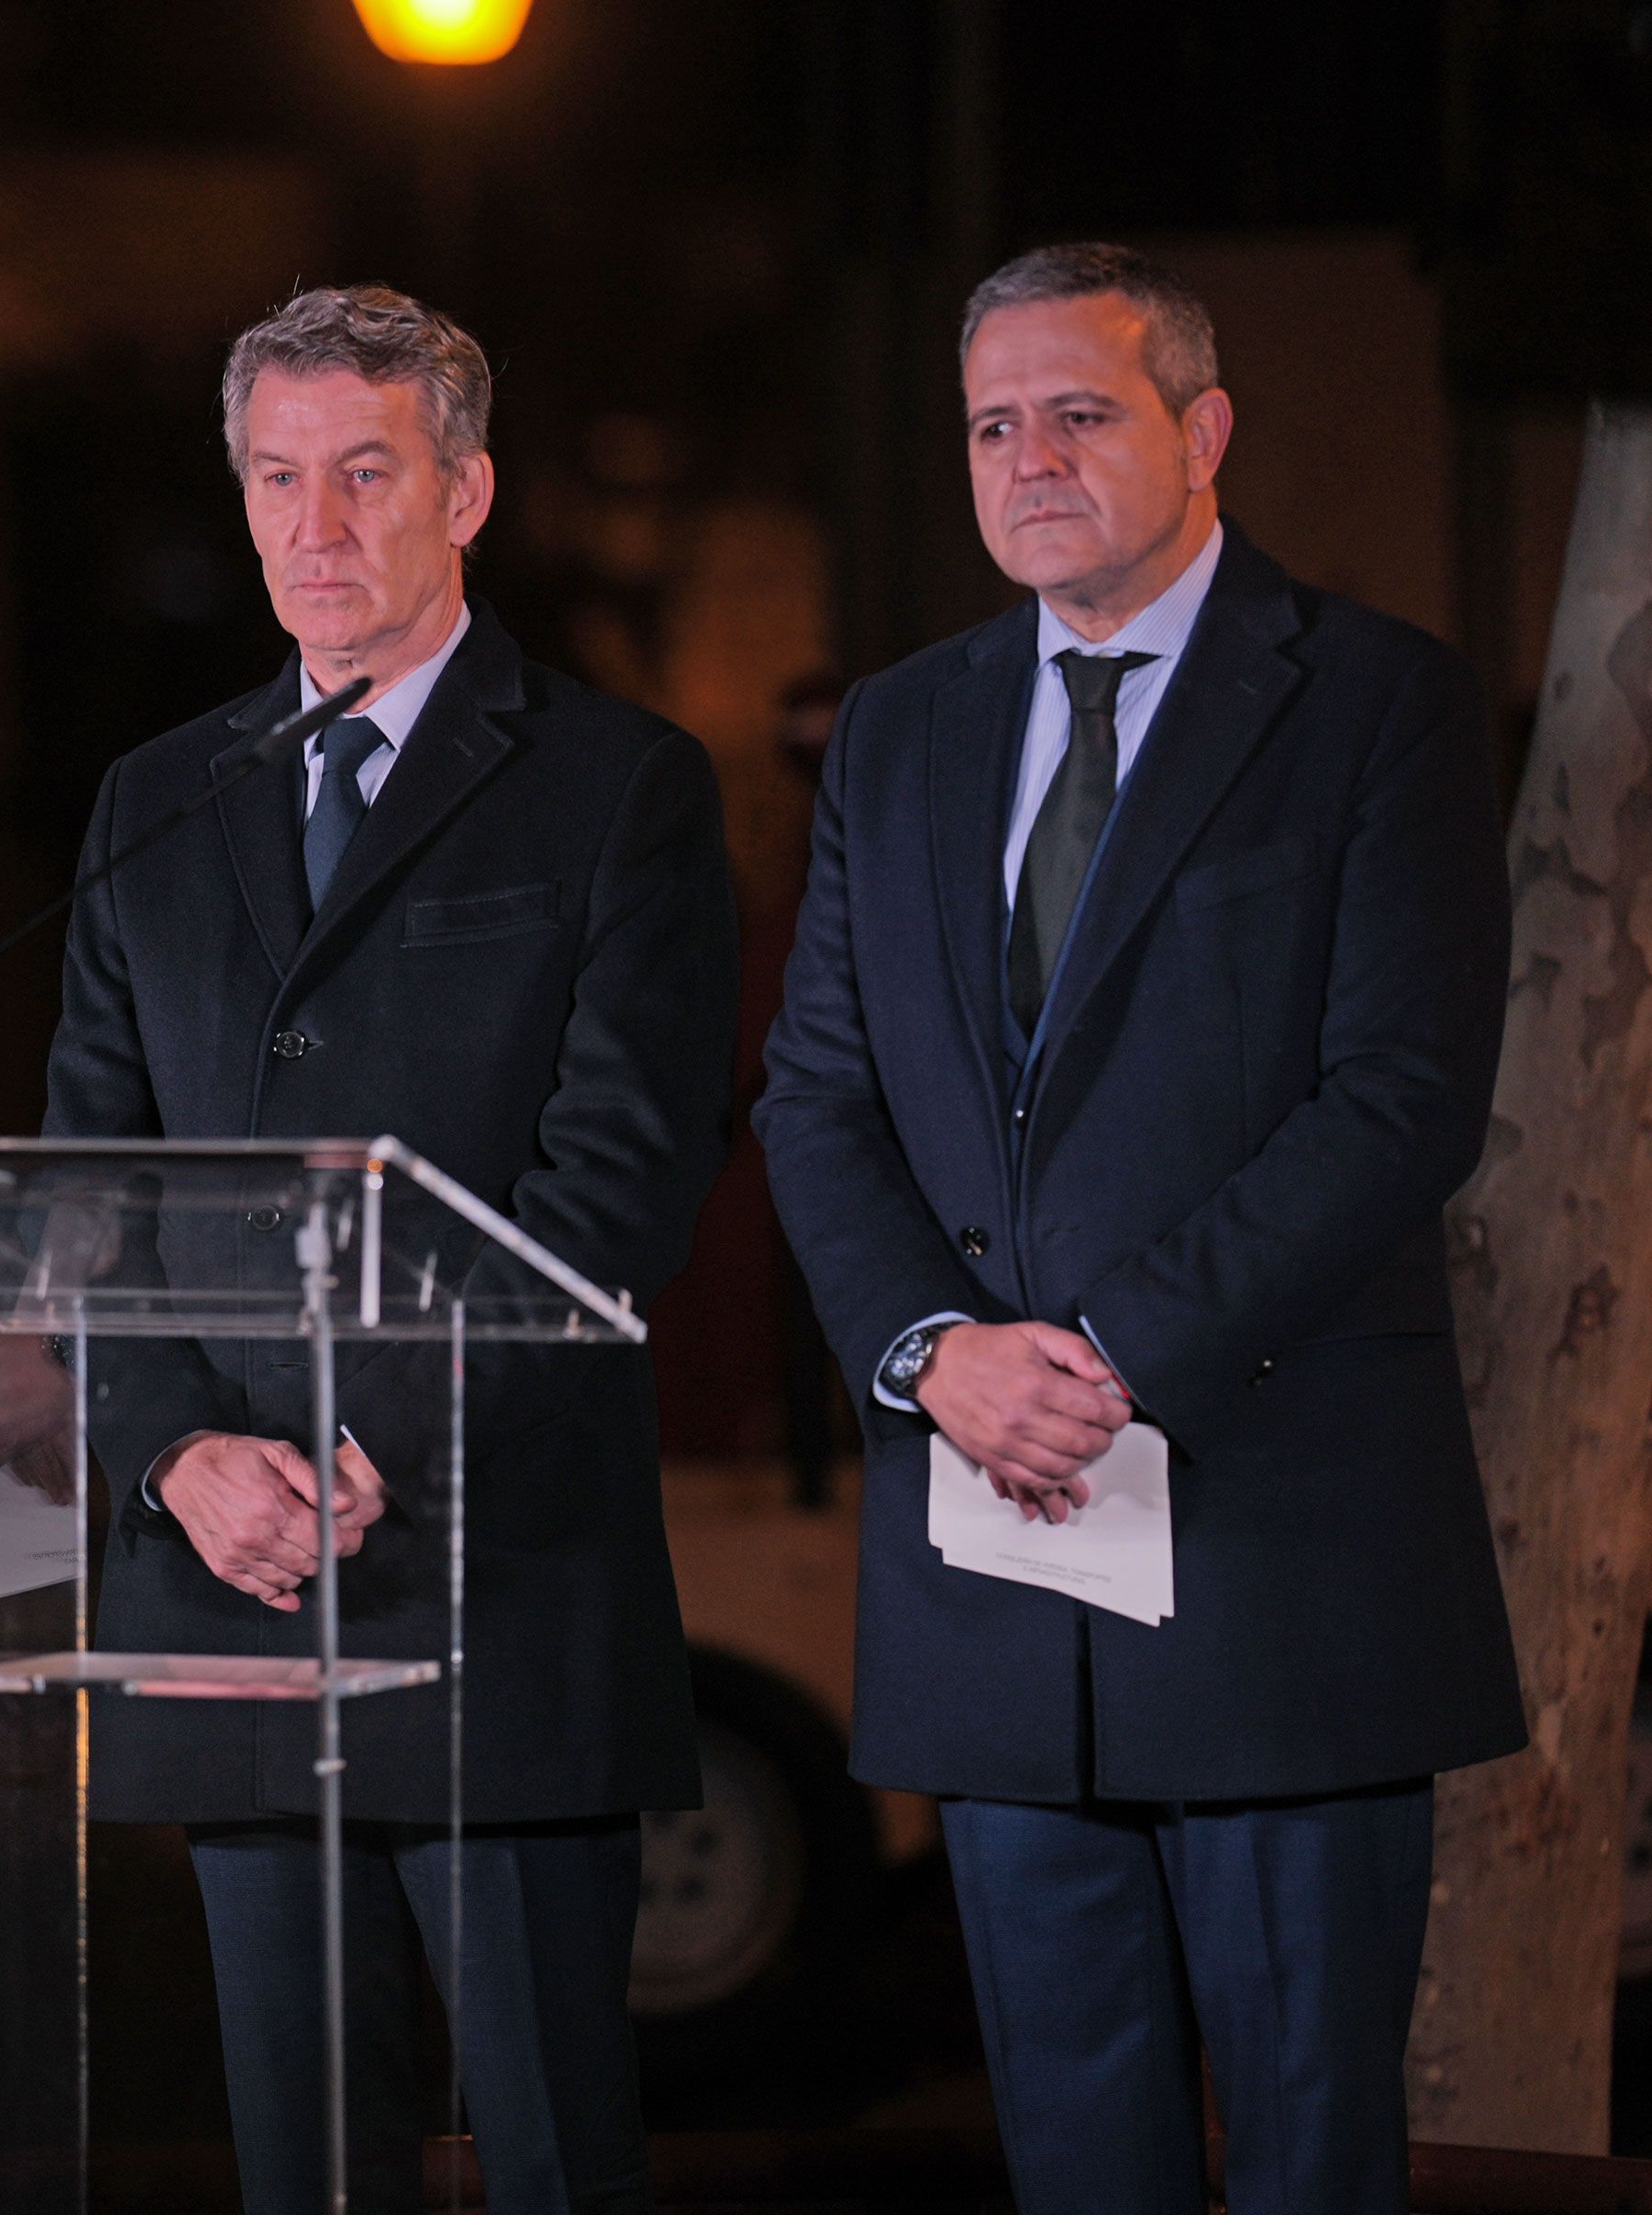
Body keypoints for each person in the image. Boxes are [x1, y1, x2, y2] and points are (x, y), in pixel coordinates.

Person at [755, 243, 1526, 2215]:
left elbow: (1400, 1098)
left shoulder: (1379, 705)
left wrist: (1106, 1358)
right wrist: (937, 1358)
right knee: (1074, 2159)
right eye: (993, 425)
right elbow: (818, 1097)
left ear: (1205, 431)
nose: (1029, 460)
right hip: (996, 1563)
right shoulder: (905, 732)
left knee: (1306, 2156)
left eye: (1079, 413)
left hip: (1281, 1556)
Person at [44, 286, 739, 2215]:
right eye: (277, 479)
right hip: (231, 1593)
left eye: (365, 473)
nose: (315, 526)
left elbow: (617, 1186)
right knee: (305, 2175)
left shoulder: (617, 788)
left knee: (546, 2158)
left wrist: (372, 1450)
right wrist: (175, 1460)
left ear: (470, 490)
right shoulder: (152, 802)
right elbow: (89, 1192)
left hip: (488, 1576)